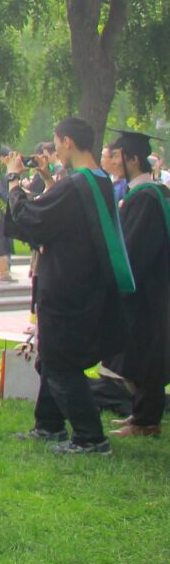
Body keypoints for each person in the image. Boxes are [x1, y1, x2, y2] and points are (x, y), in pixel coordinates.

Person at [2, 118, 131, 455]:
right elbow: (63, 217)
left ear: (69, 142)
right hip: (87, 283)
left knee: (60, 362)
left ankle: (90, 437)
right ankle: (49, 426)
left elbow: (33, 219)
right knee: (52, 356)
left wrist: (14, 182)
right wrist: (47, 178)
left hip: (67, 286)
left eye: (57, 142)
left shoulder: (76, 185)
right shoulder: (99, 180)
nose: (55, 148)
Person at [106, 131, 168, 439]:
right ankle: (141, 415)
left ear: (133, 159)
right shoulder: (147, 193)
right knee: (142, 355)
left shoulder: (145, 197)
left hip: (147, 294)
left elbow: (135, 250)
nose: (113, 161)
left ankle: (146, 421)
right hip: (151, 291)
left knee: (145, 355)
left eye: (117, 156)